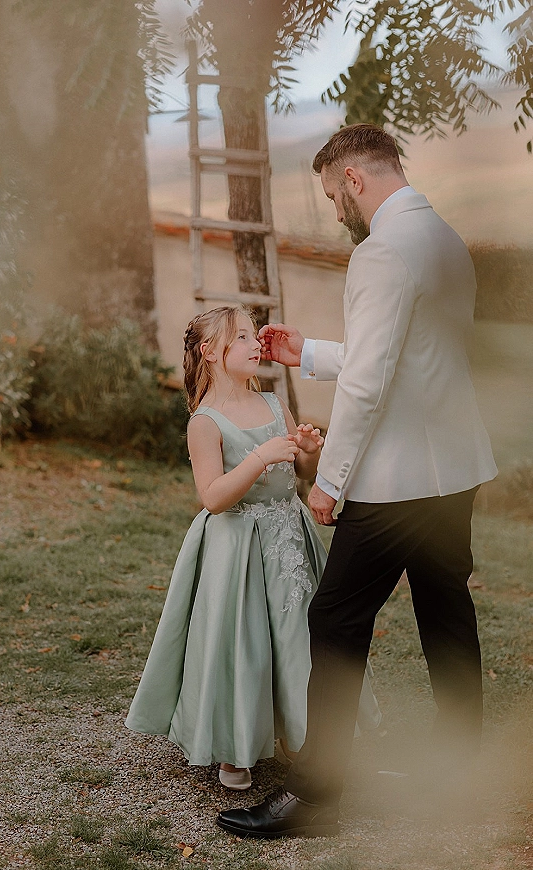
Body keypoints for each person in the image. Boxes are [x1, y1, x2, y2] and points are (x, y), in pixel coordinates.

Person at [216, 124, 497, 837]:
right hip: (454, 471)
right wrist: (308, 351)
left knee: (334, 620)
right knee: (446, 616)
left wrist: (329, 480)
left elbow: (371, 382)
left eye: (332, 195)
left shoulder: (381, 252)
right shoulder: (445, 241)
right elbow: (410, 355)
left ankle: (316, 801)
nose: (335, 211)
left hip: (399, 480)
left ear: (353, 181)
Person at [125, 305, 381, 792]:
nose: (255, 343)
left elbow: (299, 478)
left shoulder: (271, 403)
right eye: (241, 337)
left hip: (288, 539)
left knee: (298, 636)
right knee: (243, 643)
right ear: (211, 353)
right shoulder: (205, 422)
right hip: (237, 546)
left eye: (252, 335)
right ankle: (235, 744)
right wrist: (261, 456)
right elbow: (214, 497)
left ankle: (301, 733)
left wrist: (306, 450)